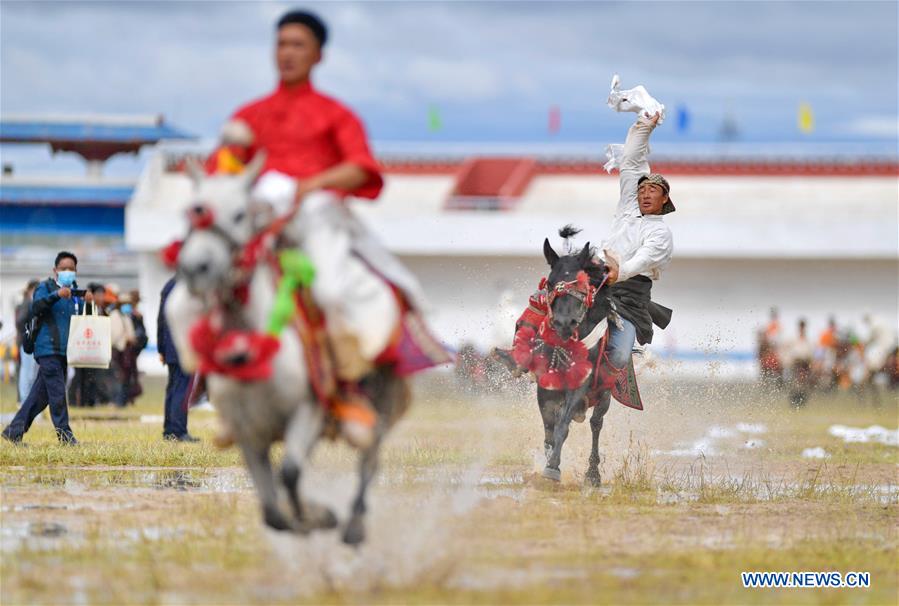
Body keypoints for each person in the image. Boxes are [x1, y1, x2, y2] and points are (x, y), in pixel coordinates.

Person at [205, 9, 448, 447]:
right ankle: (229, 402)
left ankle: (350, 396)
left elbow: (361, 169)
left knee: (332, 293)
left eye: (298, 45)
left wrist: (312, 184)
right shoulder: (250, 115)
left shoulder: (336, 114)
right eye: (281, 44)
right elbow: (222, 172)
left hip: (318, 220)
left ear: (318, 55)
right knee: (213, 290)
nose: (287, 53)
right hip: (261, 224)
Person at [2, 252, 91, 444]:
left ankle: (13, 431)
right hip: (47, 349)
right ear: (55, 270)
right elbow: (37, 306)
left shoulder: (74, 291)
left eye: (72, 269)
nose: (68, 272)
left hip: (64, 351)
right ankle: (66, 437)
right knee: (58, 393)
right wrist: (56, 295)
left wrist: (87, 300)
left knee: (40, 397)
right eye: (64, 268)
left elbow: (79, 316)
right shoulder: (46, 287)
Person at [157, 277, 198, 442]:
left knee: (173, 388)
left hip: (169, 346)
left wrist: (161, 348)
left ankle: (170, 430)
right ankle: (179, 431)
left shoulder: (169, 285)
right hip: (182, 345)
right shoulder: (185, 285)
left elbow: (160, 320)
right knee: (182, 388)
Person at [14, 279, 40, 404]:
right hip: (26, 342)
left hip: (30, 343)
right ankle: (24, 401)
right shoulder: (27, 303)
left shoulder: (29, 303)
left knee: (30, 374)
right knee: (27, 374)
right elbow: (20, 322)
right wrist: (27, 331)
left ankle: (26, 400)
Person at [782, 318, 814, 408]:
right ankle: (793, 401)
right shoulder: (792, 339)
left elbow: (811, 353)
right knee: (795, 382)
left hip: (805, 364)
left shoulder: (808, 340)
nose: (802, 328)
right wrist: (788, 361)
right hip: (795, 364)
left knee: (803, 383)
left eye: (803, 327)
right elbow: (785, 351)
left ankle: (802, 401)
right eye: (801, 326)